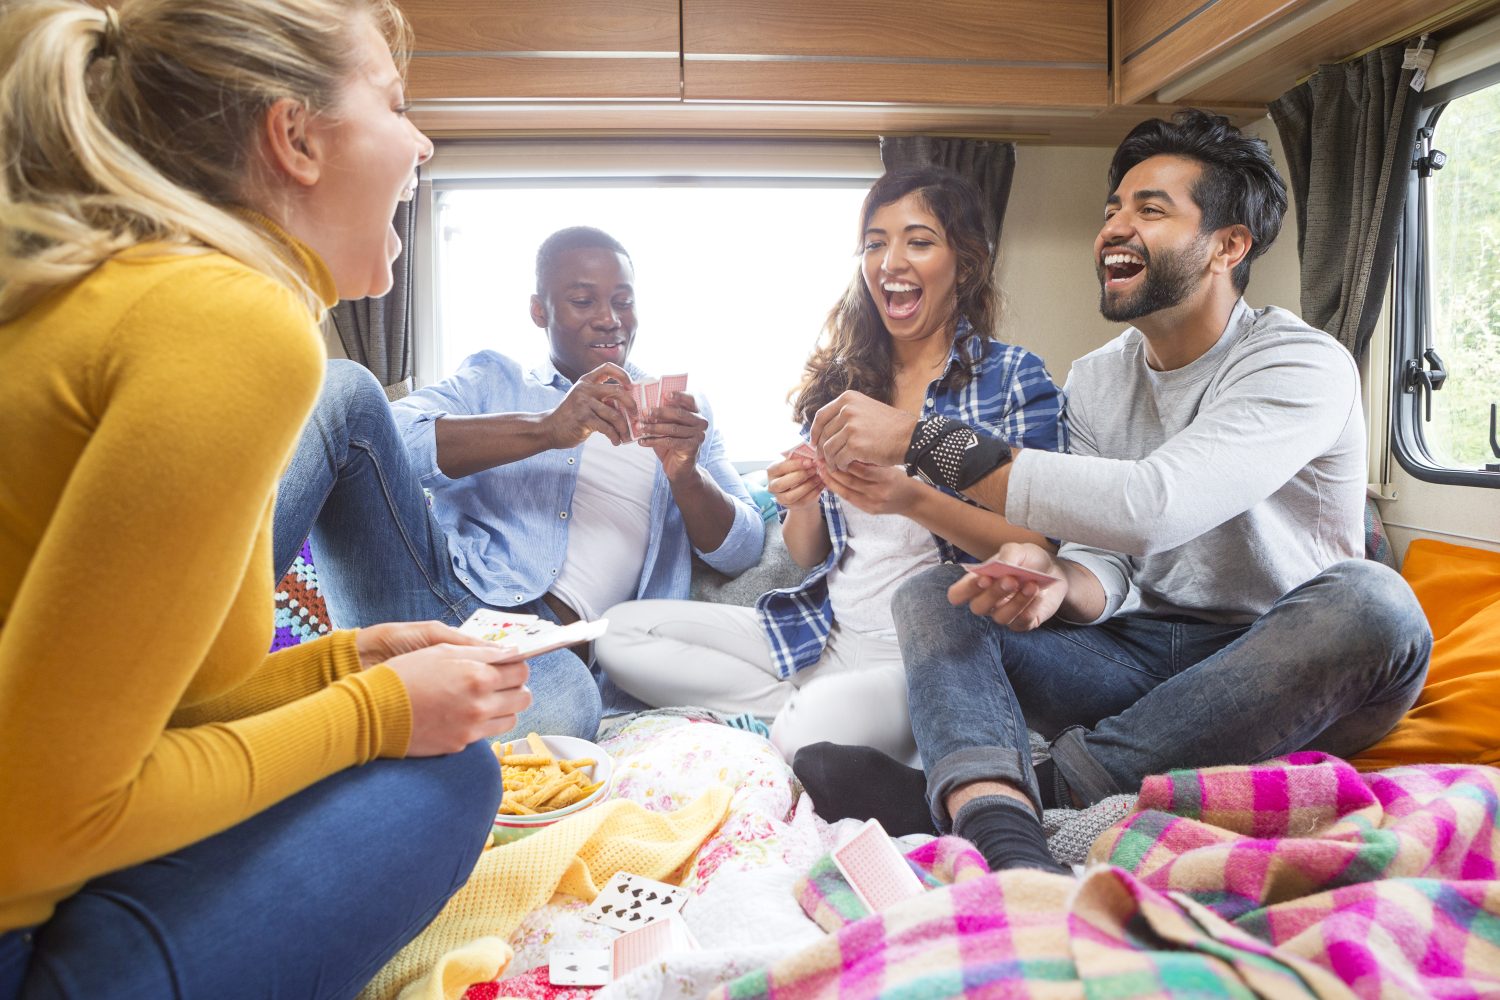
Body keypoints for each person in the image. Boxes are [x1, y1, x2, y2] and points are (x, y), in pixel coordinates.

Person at [0, 1, 531, 994]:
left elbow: (145, 702)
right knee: (452, 772)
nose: (422, 141)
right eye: (396, 104)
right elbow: (35, 826)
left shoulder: (134, 291)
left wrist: (344, 658)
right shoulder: (235, 322)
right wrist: (374, 712)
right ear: (295, 137)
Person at [799, 110, 1432, 875]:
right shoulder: (1100, 375)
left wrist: (918, 437)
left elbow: (1154, 504)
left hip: (1275, 657)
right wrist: (1052, 584)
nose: (1114, 228)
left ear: (1228, 246)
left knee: (1377, 602)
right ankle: (1007, 832)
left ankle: (1024, 793)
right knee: (939, 592)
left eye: (1150, 209)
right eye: (1113, 209)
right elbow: (1110, 552)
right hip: (1137, 652)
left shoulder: (1301, 363)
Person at [595, 166, 1065, 763]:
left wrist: (910, 497)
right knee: (618, 633)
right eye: (875, 243)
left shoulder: (1013, 379)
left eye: (918, 241)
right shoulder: (845, 382)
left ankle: (819, 715)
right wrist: (802, 498)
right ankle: (822, 707)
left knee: (803, 736)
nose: (890, 261)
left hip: (929, 656)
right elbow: (806, 553)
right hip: (822, 632)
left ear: (965, 264)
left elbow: (1037, 541)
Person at [274, 224, 762, 735]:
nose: (609, 320)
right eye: (582, 300)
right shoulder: (494, 380)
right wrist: (548, 428)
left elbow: (743, 547)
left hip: (552, 660)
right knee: (344, 386)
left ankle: (395, 712)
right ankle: (211, 635)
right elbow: (387, 437)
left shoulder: (684, 415)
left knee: (570, 707)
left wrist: (686, 475)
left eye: (623, 301)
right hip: (443, 603)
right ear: (539, 311)